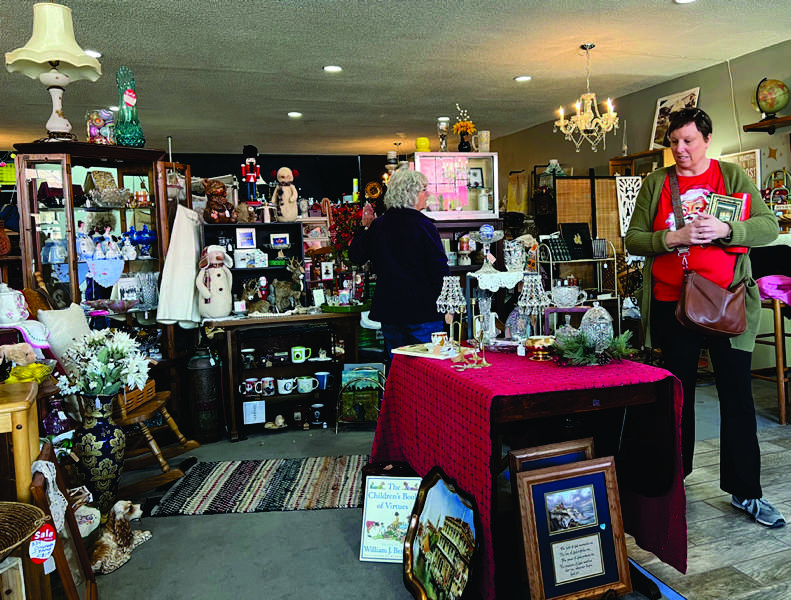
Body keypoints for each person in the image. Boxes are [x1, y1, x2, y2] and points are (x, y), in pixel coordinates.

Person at [625, 107, 784, 528]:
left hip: (727, 305)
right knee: (676, 399)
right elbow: (633, 239)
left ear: (707, 140)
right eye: (674, 142)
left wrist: (728, 231)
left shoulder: (731, 176)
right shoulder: (657, 183)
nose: (680, 149)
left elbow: (768, 226)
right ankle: (673, 485)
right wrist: (672, 237)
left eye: (688, 141)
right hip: (671, 304)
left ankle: (746, 492)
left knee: (737, 397)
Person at [349, 167, 449, 359]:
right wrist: (449, 306)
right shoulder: (424, 226)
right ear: (410, 194)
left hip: (391, 312)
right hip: (423, 312)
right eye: (424, 190)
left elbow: (356, 256)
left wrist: (364, 227)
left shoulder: (379, 225)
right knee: (428, 369)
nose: (428, 194)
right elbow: (439, 271)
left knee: (398, 368)